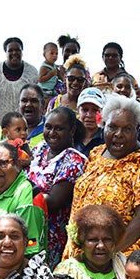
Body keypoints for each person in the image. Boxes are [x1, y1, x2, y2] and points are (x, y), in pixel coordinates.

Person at [67, 94, 140, 256]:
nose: (118, 134)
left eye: (127, 129)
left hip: (119, 258)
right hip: (82, 254)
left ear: (137, 131)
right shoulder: (96, 154)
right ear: (103, 126)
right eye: (112, 127)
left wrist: (107, 253)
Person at [27, 108, 87, 269]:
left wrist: (22, 188)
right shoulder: (39, 149)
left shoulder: (74, 160)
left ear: (72, 131)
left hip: (52, 236)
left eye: (59, 128)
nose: (52, 133)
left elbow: (53, 202)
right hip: (28, 227)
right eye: (48, 127)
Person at [0, 37, 40, 124]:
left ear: (22, 51)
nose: (14, 53)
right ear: (5, 52)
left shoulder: (32, 72)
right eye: (10, 50)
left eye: (18, 50)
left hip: (24, 127)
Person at [76, 87, 106, 157]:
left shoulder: (107, 139)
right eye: (85, 110)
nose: (89, 115)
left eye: (95, 110)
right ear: (78, 112)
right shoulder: (70, 137)